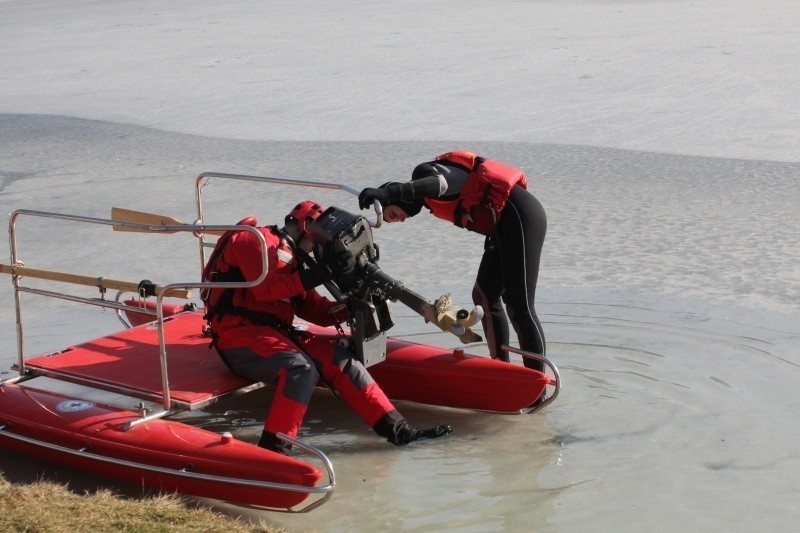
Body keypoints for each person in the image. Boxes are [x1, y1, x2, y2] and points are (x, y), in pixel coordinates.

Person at [202, 200, 451, 454]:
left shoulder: (293, 261)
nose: (315, 251)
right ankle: (274, 449)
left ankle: (399, 431)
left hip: (276, 333)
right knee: (300, 368)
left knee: (341, 359)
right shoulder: (254, 239)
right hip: (236, 335)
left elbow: (316, 311)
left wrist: (352, 304)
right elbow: (266, 289)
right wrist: (322, 272)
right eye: (316, 243)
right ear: (307, 226)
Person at [358, 150, 547, 372]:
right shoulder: (430, 201)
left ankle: (537, 379)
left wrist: (388, 192)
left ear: (393, 199)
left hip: (520, 215)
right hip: (501, 228)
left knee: (519, 305)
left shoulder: (424, 173)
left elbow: (440, 184)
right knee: (484, 295)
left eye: (392, 214)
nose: (400, 220)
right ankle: (502, 369)